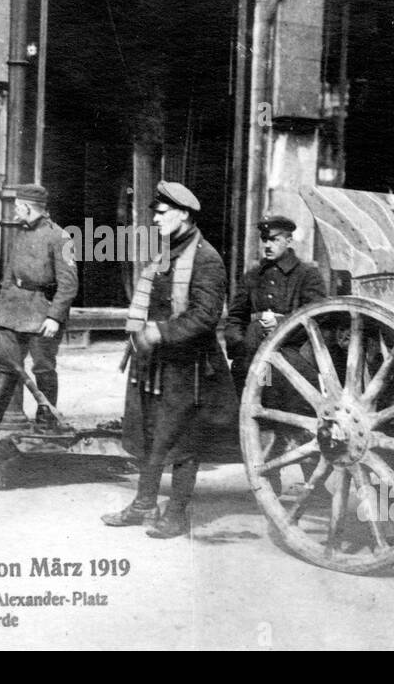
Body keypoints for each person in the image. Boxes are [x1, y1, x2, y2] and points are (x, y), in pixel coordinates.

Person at [102, 181, 238, 539]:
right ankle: (144, 503)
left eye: (163, 213)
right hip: (154, 363)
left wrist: (159, 332)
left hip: (188, 367)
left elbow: (205, 317)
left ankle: (177, 513)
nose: (157, 219)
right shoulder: (165, 254)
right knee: (149, 433)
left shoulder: (207, 258)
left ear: (185, 214)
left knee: (182, 440)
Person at [0, 184, 79, 451]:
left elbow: (69, 284)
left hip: (42, 314)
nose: (15, 211)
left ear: (28, 208)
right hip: (14, 312)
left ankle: (45, 424)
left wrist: (54, 317)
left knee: (43, 368)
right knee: (5, 368)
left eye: (18, 207)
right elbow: (10, 273)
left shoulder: (61, 237)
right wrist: (3, 306)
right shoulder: (20, 232)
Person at [223, 214, 327, 395]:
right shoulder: (253, 275)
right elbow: (236, 317)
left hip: (290, 358)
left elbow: (317, 316)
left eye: (274, 240)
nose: (267, 245)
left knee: (276, 402)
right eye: (264, 240)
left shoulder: (307, 274)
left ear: (288, 240)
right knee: (248, 401)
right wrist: (241, 345)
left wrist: (280, 326)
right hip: (251, 356)